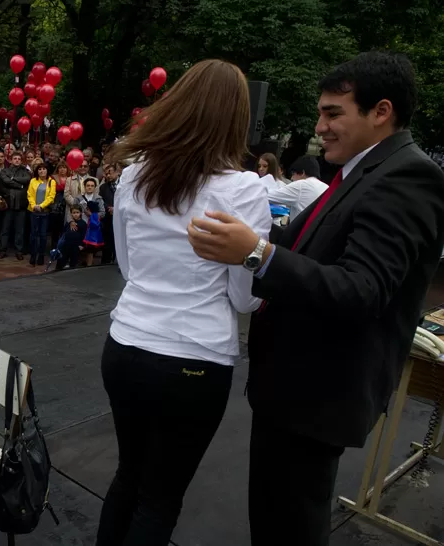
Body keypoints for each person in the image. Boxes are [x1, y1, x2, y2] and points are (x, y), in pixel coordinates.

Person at [187, 52, 444, 546]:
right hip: (292, 391)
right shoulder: (359, 173)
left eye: (332, 113)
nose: (319, 127)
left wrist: (255, 253)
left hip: (318, 397)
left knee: (291, 526)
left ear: (381, 112)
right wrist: (234, 228)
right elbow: (294, 242)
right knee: (273, 516)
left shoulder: (406, 178)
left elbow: (362, 290)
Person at [98, 59, 271, 546]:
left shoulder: (134, 177)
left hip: (126, 344)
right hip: (195, 359)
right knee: (159, 497)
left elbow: (128, 266)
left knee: (128, 475)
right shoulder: (243, 189)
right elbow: (244, 297)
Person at [266, 155, 329, 219]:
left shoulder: (301, 185)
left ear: (302, 173)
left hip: (302, 227)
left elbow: (268, 196)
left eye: (293, 174)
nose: (291, 178)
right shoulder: (326, 187)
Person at [0, 151, 31, 260]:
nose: (17, 160)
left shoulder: (26, 171)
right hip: (8, 204)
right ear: (11, 160)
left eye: (19, 159)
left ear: (21, 161)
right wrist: (19, 186)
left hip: (21, 204)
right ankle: (2, 250)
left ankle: (19, 250)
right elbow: (4, 181)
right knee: (5, 229)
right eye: (15, 158)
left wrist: (12, 179)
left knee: (19, 230)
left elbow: (26, 180)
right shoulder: (5, 171)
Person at [27, 164, 56, 267]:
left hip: (45, 212)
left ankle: (41, 255)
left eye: (44, 169)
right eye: (40, 169)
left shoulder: (51, 182)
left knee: (43, 235)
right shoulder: (33, 181)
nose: (42, 171)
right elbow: (29, 194)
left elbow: (51, 197)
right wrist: (34, 205)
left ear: (47, 171)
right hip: (33, 211)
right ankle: (33, 255)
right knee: (33, 235)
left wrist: (41, 206)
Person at [98, 164, 119, 265]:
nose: (108, 176)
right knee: (107, 242)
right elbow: (101, 201)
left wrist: (117, 209)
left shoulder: (124, 185)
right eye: (106, 174)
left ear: (117, 172)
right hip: (108, 219)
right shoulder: (103, 187)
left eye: (110, 172)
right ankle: (105, 263)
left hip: (120, 218)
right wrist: (108, 208)